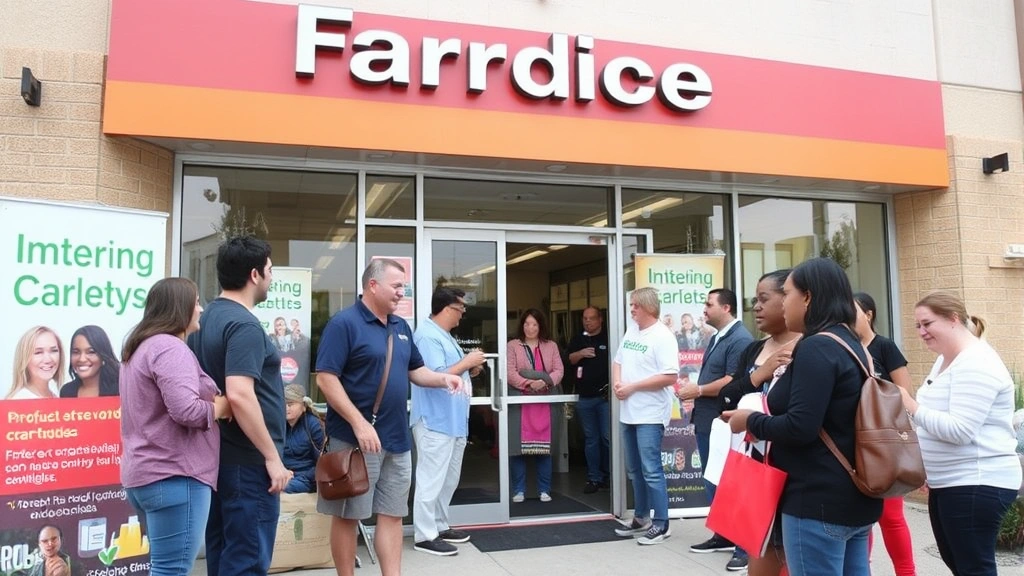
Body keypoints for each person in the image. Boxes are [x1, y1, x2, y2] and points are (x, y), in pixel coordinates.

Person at [723, 257, 882, 576]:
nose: (784, 304)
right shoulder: (851, 343)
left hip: (816, 501)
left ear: (808, 297)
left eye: (789, 294)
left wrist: (747, 421)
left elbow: (800, 427)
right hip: (853, 497)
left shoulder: (816, 347)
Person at [315, 259, 464, 576]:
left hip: (396, 439)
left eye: (404, 287)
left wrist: (443, 379)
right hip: (355, 440)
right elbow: (326, 379)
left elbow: (416, 371)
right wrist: (359, 423)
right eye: (396, 286)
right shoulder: (344, 324)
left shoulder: (401, 327)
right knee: (348, 516)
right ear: (372, 285)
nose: (402, 292)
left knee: (393, 514)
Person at [898, 290, 1022, 576]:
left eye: (927, 324)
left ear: (953, 319)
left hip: (977, 482)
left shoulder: (977, 362)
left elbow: (960, 430)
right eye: (917, 326)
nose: (921, 332)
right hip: (950, 482)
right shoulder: (945, 359)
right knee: (960, 563)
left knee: (973, 568)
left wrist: (911, 405)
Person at [188, 236, 290, 576]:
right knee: (247, 561)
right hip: (248, 465)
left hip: (217, 459)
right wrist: (272, 458)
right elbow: (240, 394)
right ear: (254, 275)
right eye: (270, 271)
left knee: (222, 556)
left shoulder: (207, 319)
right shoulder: (243, 324)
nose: (271, 278)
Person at [120, 277, 230, 576]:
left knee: (164, 567)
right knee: (171, 570)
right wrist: (221, 407)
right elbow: (187, 410)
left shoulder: (139, 349)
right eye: (195, 302)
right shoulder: (170, 348)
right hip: (176, 475)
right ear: (179, 307)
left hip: (147, 475)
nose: (201, 309)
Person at [713, 270, 799, 576]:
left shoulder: (810, 349)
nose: (756, 307)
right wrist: (758, 376)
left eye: (764, 299)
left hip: (794, 472)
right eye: (755, 300)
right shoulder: (754, 349)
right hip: (756, 466)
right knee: (760, 555)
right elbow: (725, 398)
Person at [680, 288, 754, 571]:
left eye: (709, 304)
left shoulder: (740, 339)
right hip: (708, 419)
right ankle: (723, 534)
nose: (704, 309)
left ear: (726, 308)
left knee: (729, 483)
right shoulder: (718, 336)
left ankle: (743, 546)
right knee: (713, 480)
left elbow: (732, 379)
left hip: (724, 422)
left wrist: (698, 389)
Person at [410, 287, 486, 556]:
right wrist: (467, 361)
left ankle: (440, 526)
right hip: (435, 421)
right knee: (431, 479)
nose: (463, 314)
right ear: (447, 309)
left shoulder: (444, 336)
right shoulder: (427, 336)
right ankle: (424, 535)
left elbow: (453, 374)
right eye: (461, 309)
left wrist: (469, 369)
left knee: (448, 479)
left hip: (453, 421)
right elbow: (434, 375)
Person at [852, 292, 916, 576]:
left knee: (891, 516)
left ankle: (906, 572)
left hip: (885, 442)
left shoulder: (885, 347)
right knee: (859, 520)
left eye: (852, 311)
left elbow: (905, 395)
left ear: (869, 314)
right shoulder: (845, 347)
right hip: (853, 443)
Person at [611, 287, 679, 545]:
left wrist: (632, 387)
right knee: (634, 470)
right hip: (628, 412)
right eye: (631, 305)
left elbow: (669, 376)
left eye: (635, 305)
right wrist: (619, 383)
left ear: (649, 307)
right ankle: (641, 518)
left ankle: (661, 523)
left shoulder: (662, 336)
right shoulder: (632, 331)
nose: (632, 310)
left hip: (650, 413)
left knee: (651, 470)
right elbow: (618, 361)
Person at [506, 308, 565, 503]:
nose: (530, 328)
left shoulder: (551, 346)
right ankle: (519, 490)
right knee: (518, 448)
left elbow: (559, 370)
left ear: (541, 326)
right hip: (520, 402)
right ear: (521, 325)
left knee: (544, 448)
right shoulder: (512, 345)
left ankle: (544, 490)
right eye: (526, 324)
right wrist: (529, 382)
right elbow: (510, 372)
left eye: (534, 324)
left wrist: (545, 381)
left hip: (545, 402)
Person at [567, 306, 611, 494]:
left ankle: (610, 476)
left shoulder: (610, 336)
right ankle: (594, 478)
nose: (588, 321)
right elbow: (569, 359)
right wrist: (581, 353)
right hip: (585, 398)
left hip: (606, 398)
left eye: (592, 318)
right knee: (591, 440)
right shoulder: (578, 339)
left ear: (600, 319)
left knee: (608, 438)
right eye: (585, 318)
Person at [283, 383, 324, 494]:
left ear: (303, 406)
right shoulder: (278, 426)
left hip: (307, 478)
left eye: (290, 404)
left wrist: (301, 476)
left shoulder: (313, 425)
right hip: (283, 474)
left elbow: (322, 461)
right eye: (284, 404)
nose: (286, 408)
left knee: (284, 487)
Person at [61, 325, 120, 398]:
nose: (82, 359)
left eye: (91, 352)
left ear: (103, 356)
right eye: (76, 352)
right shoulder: (67, 392)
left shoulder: (119, 389)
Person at [8, 326, 64, 400]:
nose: (48, 359)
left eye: (53, 351)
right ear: (24, 358)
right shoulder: (19, 401)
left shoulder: (56, 396)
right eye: (38, 352)